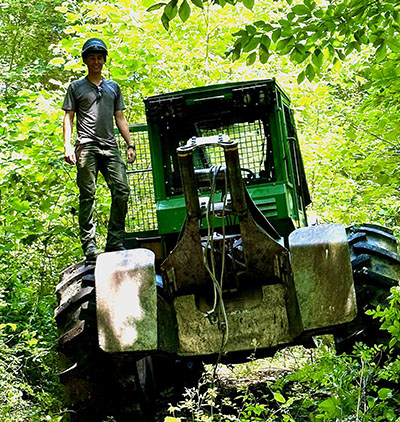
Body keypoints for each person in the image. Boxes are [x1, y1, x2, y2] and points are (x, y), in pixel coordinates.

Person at [62, 38, 136, 261]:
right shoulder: (76, 87)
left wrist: (129, 144)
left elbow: (120, 117)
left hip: (110, 147)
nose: (96, 61)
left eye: (99, 57)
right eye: (92, 57)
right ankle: (90, 246)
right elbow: (68, 117)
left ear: (104, 60)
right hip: (86, 147)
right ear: (86, 60)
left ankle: (115, 241)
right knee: (88, 196)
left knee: (122, 190)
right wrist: (68, 145)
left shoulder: (113, 87)